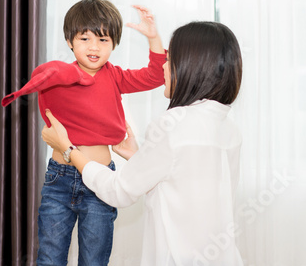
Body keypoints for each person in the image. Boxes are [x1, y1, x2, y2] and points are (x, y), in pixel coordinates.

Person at [41, 21, 245, 265]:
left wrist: (68, 149)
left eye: (171, 59)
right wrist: (140, 157)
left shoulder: (173, 125)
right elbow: (179, 185)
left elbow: (118, 191)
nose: (164, 67)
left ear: (192, 66)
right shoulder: (229, 129)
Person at [2, 0, 166, 265]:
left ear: (114, 43)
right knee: (50, 258)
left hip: (101, 181)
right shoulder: (59, 75)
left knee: (95, 260)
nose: (94, 47)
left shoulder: (115, 76)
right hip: (59, 179)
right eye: (85, 38)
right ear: (70, 41)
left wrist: (153, 37)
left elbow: (156, 76)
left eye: (103, 40)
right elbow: (42, 75)